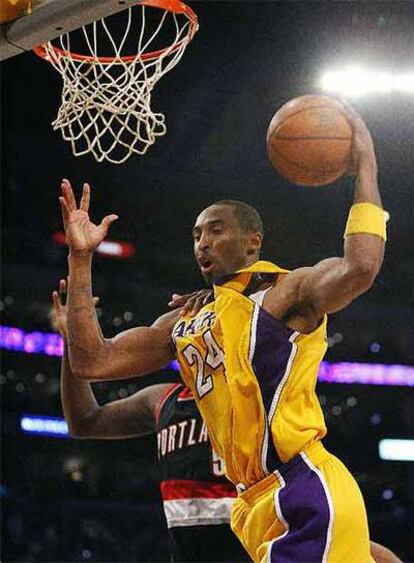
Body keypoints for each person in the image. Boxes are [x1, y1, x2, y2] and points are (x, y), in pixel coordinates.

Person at [59, 103, 399, 562]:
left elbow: (360, 267)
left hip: (302, 487)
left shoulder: (284, 292)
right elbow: (91, 361)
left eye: (215, 231)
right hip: (252, 505)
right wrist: (81, 259)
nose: (202, 243)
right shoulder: (186, 321)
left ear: (252, 241)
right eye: (196, 235)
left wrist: (366, 165)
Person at [51, 280, 249, 562]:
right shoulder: (164, 400)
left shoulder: (256, 394)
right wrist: (71, 341)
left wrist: (228, 296)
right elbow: (84, 421)